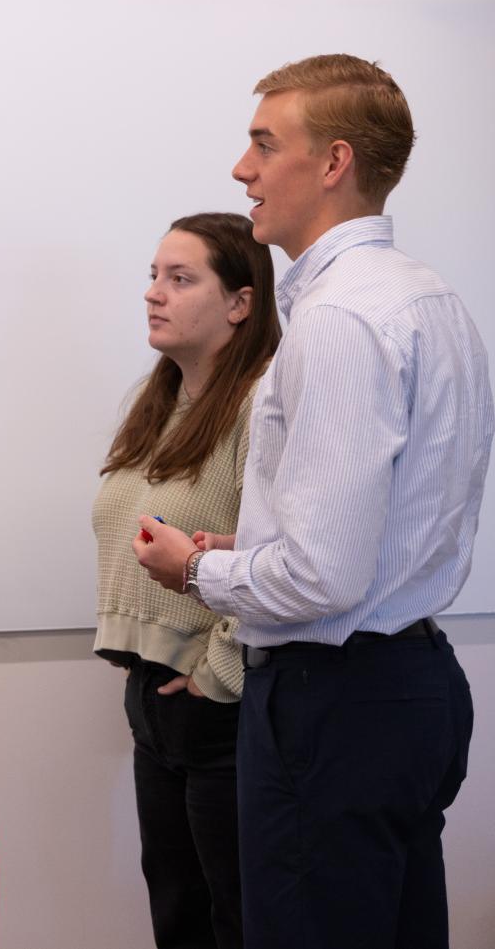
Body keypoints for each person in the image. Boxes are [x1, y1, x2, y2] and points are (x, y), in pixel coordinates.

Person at [134, 55, 491, 949]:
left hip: (333, 701)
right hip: (408, 684)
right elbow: (380, 531)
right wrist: (246, 544)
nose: (242, 169)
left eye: (264, 144)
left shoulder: (337, 320)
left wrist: (196, 568)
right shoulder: (430, 298)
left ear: (334, 163)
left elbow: (322, 577)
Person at [94, 212, 280, 949]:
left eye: (180, 278)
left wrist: (219, 672)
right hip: (154, 698)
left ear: (240, 302)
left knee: (239, 920)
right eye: (153, 276)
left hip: (223, 706)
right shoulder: (157, 403)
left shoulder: (263, 405)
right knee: (178, 918)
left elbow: (282, 552)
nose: (154, 293)